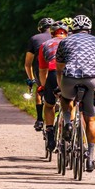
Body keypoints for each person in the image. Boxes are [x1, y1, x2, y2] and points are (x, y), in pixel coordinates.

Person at [56, 15, 95, 172]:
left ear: (73, 29)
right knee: (90, 118)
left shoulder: (65, 41)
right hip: (91, 80)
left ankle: (68, 123)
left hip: (70, 77)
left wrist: (59, 86)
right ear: (89, 29)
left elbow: (59, 67)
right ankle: (90, 159)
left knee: (65, 99)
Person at [37, 21, 69, 150]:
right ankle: (69, 126)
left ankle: (50, 135)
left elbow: (42, 69)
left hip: (52, 73)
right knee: (69, 103)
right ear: (67, 33)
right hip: (68, 75)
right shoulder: (71, 42)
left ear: (51, 33)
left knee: (49, 105)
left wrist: (43, 86)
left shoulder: (45, 45)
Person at [24, 17, 54, 131]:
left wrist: (31, 79)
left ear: (40, 29)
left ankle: (40, 119)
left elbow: (28, 64)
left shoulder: (34, 38)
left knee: (40, 89)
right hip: (60, 69)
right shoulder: (61, 38)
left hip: (41, 69)